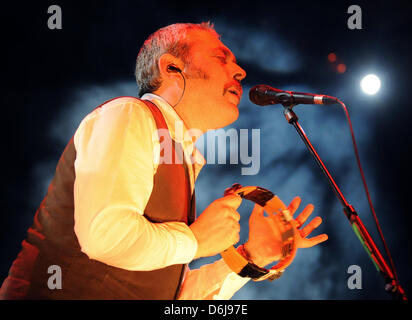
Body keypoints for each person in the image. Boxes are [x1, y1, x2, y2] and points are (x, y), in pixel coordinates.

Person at [0, 22, 328, 300]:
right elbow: (106, 237)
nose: (240, 71)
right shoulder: (128, 115)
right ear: (171, 67)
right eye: (221, 58)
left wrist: (250, 258)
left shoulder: (180, 158)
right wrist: (196, 240)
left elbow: (171, 296)